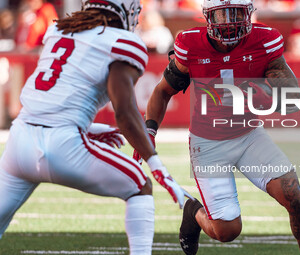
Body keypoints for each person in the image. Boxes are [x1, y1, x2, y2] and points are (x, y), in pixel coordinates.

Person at [0, 0, 188, 254]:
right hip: (62, 146)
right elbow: (125, 111)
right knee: (139, 185)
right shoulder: (122, 42)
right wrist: (157, 165)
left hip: (19, 141)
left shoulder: (60, 30)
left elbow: (52, 95)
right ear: (123, 11)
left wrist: (86, 128)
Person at [133, 0, 300, 254]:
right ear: (208, 17)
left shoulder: (265, 40)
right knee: (227, 231)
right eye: (222, 14)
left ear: (249, 13)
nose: (229, 21)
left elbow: (291, 100)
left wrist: (264, 93)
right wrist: (150, 130)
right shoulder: (190, 44)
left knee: (295, 197)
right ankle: (193, 212)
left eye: (236, 13)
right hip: (209, 143)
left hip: (249, 135)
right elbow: (162, 92)